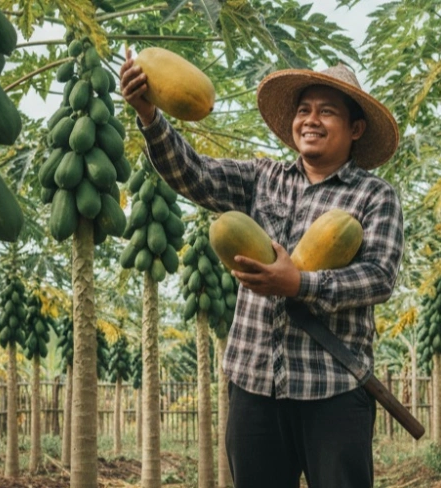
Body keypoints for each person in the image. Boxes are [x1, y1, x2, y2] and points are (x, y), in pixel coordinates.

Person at [120, 52, 404, 488]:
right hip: (253, 385)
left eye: (327, 111)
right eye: (304, 110)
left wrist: (300, 283)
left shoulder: (374, 196)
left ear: (356, 129)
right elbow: (194, 175)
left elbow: (380, 276)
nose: (311, 120)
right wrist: (149, 114)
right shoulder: (263, 178)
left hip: (333, 389)